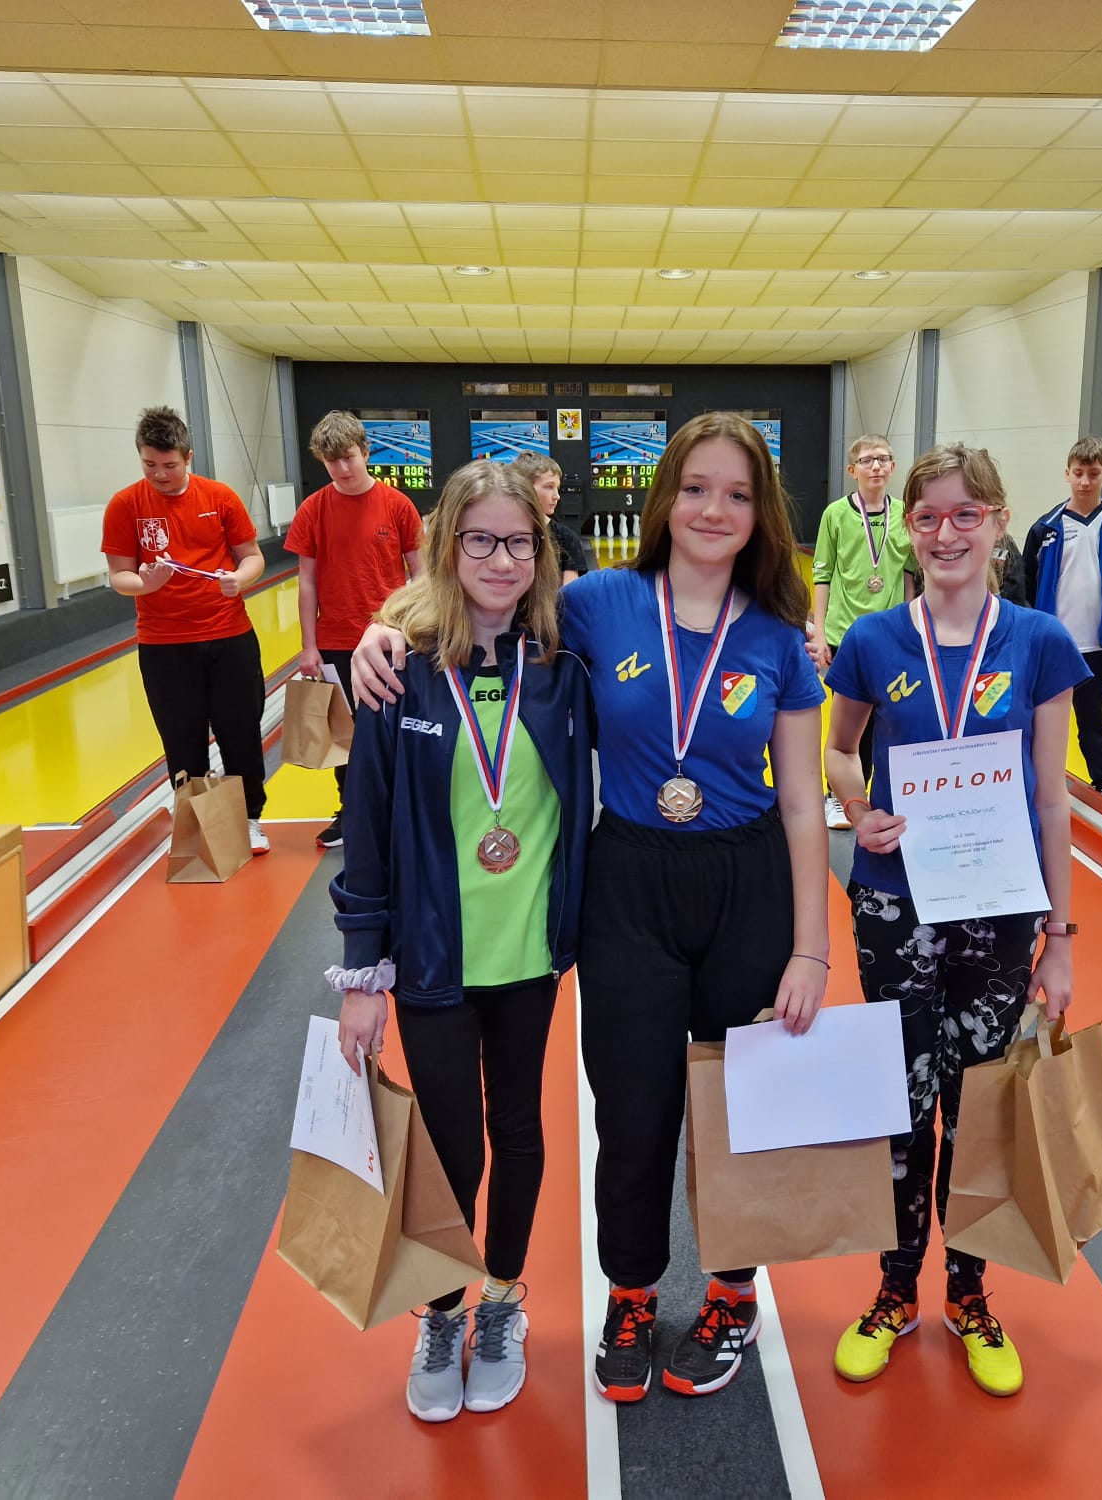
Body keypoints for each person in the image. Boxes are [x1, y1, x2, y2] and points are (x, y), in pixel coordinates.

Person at [351, 412, 830, 1404]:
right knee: (634, 1107)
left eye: (738, 494)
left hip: (746, 887)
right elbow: (475, 595)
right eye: (695, 487)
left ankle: (732, 1293)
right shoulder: (598, 603)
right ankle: (633, 1293)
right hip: (629, 885)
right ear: (664, 498)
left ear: (762, 514)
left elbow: (799, 801)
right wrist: (380, 627)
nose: (713, 509)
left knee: (741, 1108)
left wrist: (812, 950)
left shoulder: (780, 634)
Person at [328, 460, 592, 1424]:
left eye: (519, 541)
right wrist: (364, 972)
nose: (500, 559)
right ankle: (442, 1310)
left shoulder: (564, 666)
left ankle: (504, 1299)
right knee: (447, 1147)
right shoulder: (397, 672)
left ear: (541, 551)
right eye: (479, 539)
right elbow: (367, 826)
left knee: (517, 1129)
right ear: (447, 546)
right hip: (433, 958)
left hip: (529, 958)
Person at [823, 442, 1084, 1398]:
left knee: (977, 1107)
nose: (945, 533)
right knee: (902, 1103)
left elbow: (1050, 796)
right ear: (908, 528)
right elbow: (839, 752)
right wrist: (859, 808)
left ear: (999, 522)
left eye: (965, 514)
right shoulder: (872, 640)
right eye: (927, 516)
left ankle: (969, 1294)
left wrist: (1060, 940)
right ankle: (895, 1289)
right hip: (895, 904)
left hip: (999, 910)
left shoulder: (1039, 641)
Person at [101, 405, 270, 855]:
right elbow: (119, 575)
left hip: (228, 637)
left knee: (240, 734)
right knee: (182, 740)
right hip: (164, 646)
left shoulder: (220, 497)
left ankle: (249, 818)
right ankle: (197, 825)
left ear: (188, 457)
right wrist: (145, 584)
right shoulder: (125, 505)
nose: (160, 474)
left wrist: (240, 579)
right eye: (149, 464)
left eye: (169, 465)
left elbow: (252, 556)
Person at [287, 410, 424, 850]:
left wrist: (412, 628)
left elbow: (420, 574)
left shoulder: (397, 505)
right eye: (332, 461)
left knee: (393, 730)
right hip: (335, 642)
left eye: (348, 457)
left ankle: (399, 810)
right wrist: (309, 647)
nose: (343, 468)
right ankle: (351, 812)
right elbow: (307, 582)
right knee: (345, 737)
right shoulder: (313, 510)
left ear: (366, 452)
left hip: (390, 640)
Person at [1021, 437, 1102, 804]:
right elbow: (1026, 584)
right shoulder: (1045, 528)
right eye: (1079, 473)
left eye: (1094, 473)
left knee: (1091, 719)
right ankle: (1029, 778)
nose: (1085, 481)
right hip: (1053, 644)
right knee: (1039, 717)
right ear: (1067, 474)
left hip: (1098, 645)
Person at [812, 433, 914, 828]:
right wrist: (820, 633)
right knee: (849, 725)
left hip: (892, 635)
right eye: (868, 460)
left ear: (892, 466)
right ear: (852, 470)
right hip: (845, 636)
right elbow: (822, 575)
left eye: (883, 459)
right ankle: (838, 796)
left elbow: (908, 574)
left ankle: (876, 792)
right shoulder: (835, 514)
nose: (876, 466)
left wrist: (910, 624)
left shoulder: (904, 514)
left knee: (888, 718)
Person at [512, 451, 592, 584]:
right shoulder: (501, 533)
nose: (557, 496)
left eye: (557, 488)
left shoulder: (566, 538)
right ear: (524, 487)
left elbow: (570, 592)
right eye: (549, 487)